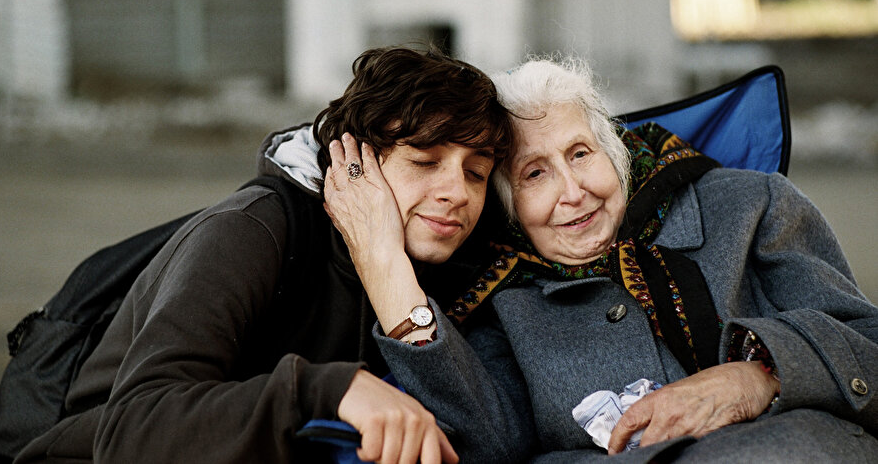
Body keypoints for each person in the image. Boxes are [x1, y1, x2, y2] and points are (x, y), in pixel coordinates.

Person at [325, 57, 878, 462]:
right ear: (509, 208)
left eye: (581, 153)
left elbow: (868, 348)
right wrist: (385, 267)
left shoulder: (748, 204)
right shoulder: (500, 295)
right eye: (535, 173)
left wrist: (759, 377)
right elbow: (488, 446)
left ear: (614, 152)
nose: (573, 191)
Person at [14, 46, 512, 464]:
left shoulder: (459, 264)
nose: (457, 192)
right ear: (353, 162)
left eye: (476, 172)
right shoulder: (253, 230)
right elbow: (132, 429)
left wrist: (384, 262)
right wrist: (325, 390)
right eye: (424, 161)